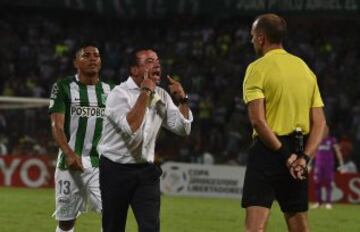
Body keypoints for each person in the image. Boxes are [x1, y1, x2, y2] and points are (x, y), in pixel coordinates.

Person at [241, 14, 326, 232]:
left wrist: (284, 156)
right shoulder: (305, 69)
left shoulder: (257, 68)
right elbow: (320, 124)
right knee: (299, 226)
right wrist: (304, 158)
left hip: (269, 151)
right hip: (299, 152)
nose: (251, 41)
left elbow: (258, 121)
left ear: (261, 38)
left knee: (255, 228)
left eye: (252, 36)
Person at [98, 49, 193, 232]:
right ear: (134, 70)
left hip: (146, 172)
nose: (157, 64)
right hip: (116, 170)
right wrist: (145, 92)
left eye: (157, 60)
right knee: (113, 227)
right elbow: (131, 127)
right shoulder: (118, 95)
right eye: (149, 61)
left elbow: (183, 129)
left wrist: (182, 100)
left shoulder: (162, 95)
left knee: (150, 228)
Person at [49, 42, 114, 232]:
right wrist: (69, 153)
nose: (93, 58)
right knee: (66, 221)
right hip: (70, 163)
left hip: (101, 163)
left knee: (111, 214)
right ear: (76, 62)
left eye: (96, 55)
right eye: (86, 55)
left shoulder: (112, 91)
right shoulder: (63, 87)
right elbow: (56, 125)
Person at [310, 126, 344, 210]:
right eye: (323, 129)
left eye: (326, 130)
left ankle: (328, 203)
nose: (324, 131)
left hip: (329, 165)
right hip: (318, 165)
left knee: (329, 183)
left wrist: (341, 164)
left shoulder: (332, 140)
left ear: (328, 131)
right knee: (317, 183)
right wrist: (309, 164)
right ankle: (319, 202)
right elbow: (313, 152)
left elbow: (337, 152)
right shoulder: (317, 140)